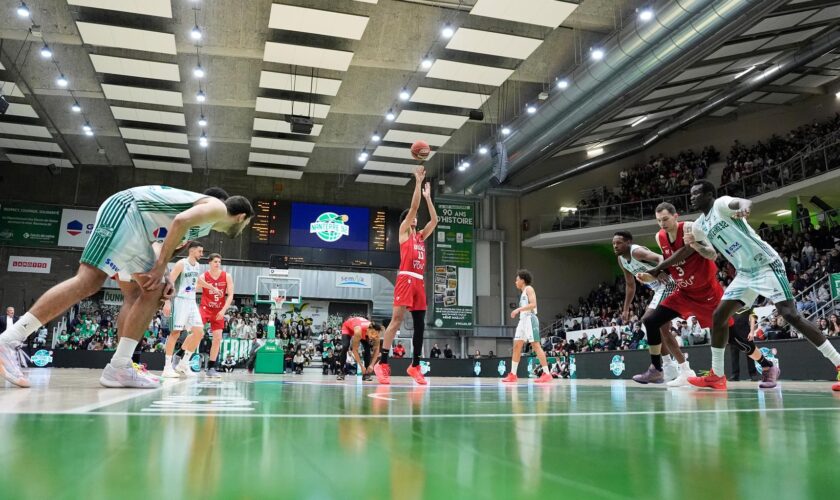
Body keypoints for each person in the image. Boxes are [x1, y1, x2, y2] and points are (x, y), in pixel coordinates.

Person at [0, 185, 253, 389]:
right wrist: (161, 267)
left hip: (137, 229)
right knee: (89, 281)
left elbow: (158, 243)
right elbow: (179, 221)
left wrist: (162, 274)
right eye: (245, 225)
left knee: (149, 291)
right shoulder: (218, 207)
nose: (242, 230)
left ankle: (120, 366)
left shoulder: (204, 225)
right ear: (241, 217)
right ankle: (9, 340)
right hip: (125, 211)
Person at [686, 180, 840, 391]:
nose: (692, 197)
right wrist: (695, 244)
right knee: (718, 317)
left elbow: (741, 203)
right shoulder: (698, 226)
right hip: (744, 273)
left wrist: (744, 208)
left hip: (766, 264)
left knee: (790, 315)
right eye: (691, 194)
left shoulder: (721, 204)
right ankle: (717, 376)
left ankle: (838, 362)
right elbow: (711, 254)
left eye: (696, 193)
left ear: (709, 194)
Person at [375, 166, 437, 385]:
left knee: (420, 324)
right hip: (405, 278)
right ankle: (382, 363)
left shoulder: (420, 237)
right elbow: (413, 206)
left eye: (416, 218)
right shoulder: (404, 234)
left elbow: (434, 221)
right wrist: (418, 183)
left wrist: (428, 198)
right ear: (406, 220)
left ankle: (415, 365)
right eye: (412, 217)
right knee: (397, 320)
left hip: (419, 281)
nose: (415, 219)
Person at [611, 230, 693, 386]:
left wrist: (660, 270)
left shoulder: (637, 251)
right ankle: (681, 369)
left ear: (628, 242)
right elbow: (630, 285)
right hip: (658, 289)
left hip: (669, 285)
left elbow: (661, 258)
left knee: (648, 320)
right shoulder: (622, 260)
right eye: (613, 243)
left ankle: (660, 368)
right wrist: (626, 308)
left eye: (618, 242)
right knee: (662, 330)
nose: (615, 246)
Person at [161, 242, 221, 379]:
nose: (202, 254)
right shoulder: (181, 264)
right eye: (200, 251)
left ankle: (183, 364)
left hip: (191, 302)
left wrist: (212, 288)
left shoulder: (198, 265)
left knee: (199, 332)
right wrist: (167, 301)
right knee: (175, 333)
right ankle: (167, 367)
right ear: (192, 251)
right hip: (180, 300)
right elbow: (169, 282)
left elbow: (198, 280)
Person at [501, 270, 552, 384]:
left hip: (530, 318)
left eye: (517, 279)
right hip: (522, 320)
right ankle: (513, 374)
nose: (515, 281)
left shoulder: (529, 289)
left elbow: (533, 304)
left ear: (523, 280)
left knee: (535, 345)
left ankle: (547, 374)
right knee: (517, 346)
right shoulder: (523, 293)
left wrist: (518, 309)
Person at [199, 253, 234, 378]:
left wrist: (224, 310)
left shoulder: (226, 276)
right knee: (197, 333)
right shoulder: (204, 276)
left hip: (219, 310)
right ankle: (183, 358)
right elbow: (194, 287)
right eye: (215, 261)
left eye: (219, 262)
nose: (218, 264)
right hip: (205, 307)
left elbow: (230, 295)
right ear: (209, 263)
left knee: (217, 338)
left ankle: (211, 367)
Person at [337, 316, 382, 382]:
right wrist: (361, 366)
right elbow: (354, 350)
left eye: (375, 335)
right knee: (345, 346)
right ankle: (341, 372)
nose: (373, 336)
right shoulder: (358, 331)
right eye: (372, 333)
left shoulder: (376, 333)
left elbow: (377, 350)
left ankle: (366, 374)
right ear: (368, 330)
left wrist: (372, 365)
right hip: (348, 328)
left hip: (362, 329)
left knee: (367, 348)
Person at [728, 309, 761, 383]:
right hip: (733, 332)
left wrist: (752, 332)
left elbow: (752, 319)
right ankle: (735, 375)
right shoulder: (731, 306)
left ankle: (753, 374)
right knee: (734, 355)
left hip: (746, 332)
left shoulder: (748, 305)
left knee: (750, 353)